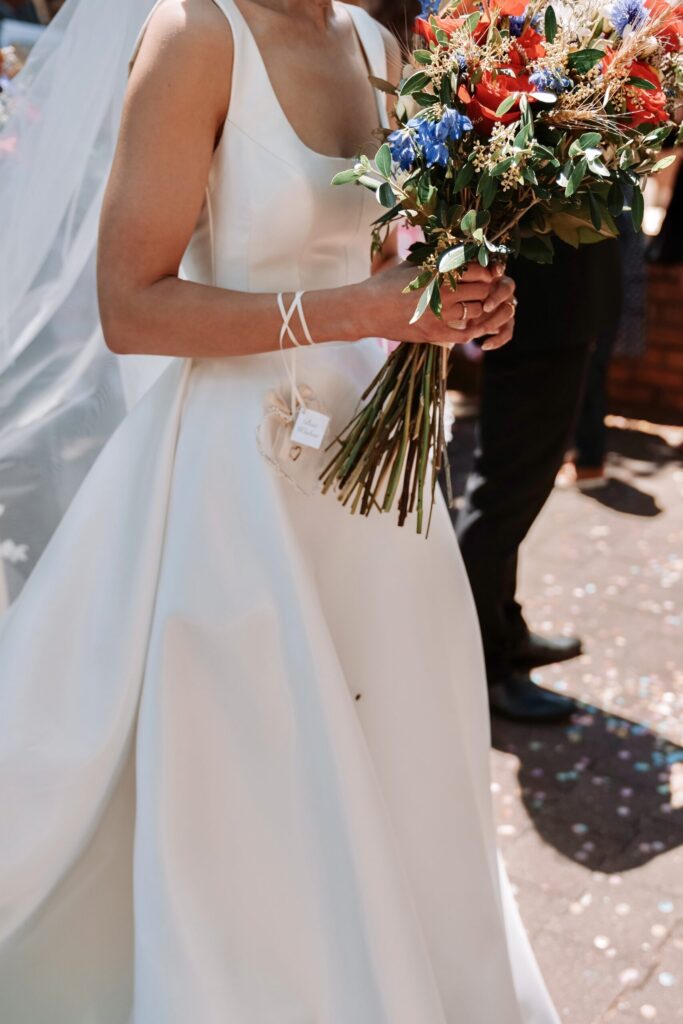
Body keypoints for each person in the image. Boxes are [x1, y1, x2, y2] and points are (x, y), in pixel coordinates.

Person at [0, 1, 559, 1022]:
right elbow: (130, 307)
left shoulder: (375, 46)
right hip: (235, 478)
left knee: (394, 749)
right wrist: (366, 308)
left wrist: (463, 299)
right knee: (256, 772)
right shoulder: (196, 36)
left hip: (372, 473)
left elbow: (392, 263)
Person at [456, 239, 622, 723]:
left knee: (514, 495)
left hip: (562, 309)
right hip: (540, 312)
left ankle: (505, 631)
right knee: (501, 499)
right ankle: (483, 667)